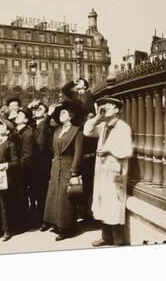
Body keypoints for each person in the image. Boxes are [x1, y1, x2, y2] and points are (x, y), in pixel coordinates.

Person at [84, 97, 133, 247]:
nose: (106, 108)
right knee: (102, 201)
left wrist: (109, 150)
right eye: (105, 106)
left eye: (110, 106)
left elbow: (127, 150)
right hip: (102, 171)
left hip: (115, 171)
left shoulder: (123, 127)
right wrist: (98, 117)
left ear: (118, 109)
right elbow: (87, 131)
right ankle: (106, 237)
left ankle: (118, 240)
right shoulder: (104, 125)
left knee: (114, 204)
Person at [42, 101, 84, 240]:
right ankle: (55, 223)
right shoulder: (57, 130)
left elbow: (78, 153)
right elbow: (44, 131)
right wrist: (48, 116)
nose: (61, 114)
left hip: (68, 166)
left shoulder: (76, 131)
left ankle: (66, 227)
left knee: (66, 198)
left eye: (64, 112)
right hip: (55, 168)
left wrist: (74, 172)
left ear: (71, 116)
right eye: (60, 113)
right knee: (54, 196)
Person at [62, 77, 97, 221]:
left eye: (81, 81)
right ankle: (78, 210)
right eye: (77, 83)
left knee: (87, 178)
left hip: (87, 134)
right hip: (77, 131)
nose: (79, 83)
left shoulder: (90, 95)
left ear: (86, 84)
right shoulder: (74, 96)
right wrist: (73, 83)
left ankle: (87, 211)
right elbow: (64, 90)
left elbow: (92, 111)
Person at [12, 107, 38, 232]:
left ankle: (24, 224)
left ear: (26, 119)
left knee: (23, 197)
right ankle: (19, 222)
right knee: (17, 197)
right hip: (16, 169)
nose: (17, 116)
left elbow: (27, 157)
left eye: (20, 115)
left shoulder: (28, 133)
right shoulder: (16, 131)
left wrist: (17, 169)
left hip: (23, 172)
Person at [28, 100, 54, 227]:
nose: (36, 110)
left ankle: (44, 219)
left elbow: (43, 138)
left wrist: (48, 115)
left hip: (43, 162)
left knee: (42, 191)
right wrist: (29, 107)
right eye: (35, 109)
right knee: (33, 192)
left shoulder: (47, 124)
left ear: (45, 113)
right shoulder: (31, 124)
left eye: (40, 109)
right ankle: (35, 217)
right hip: (31, 163)